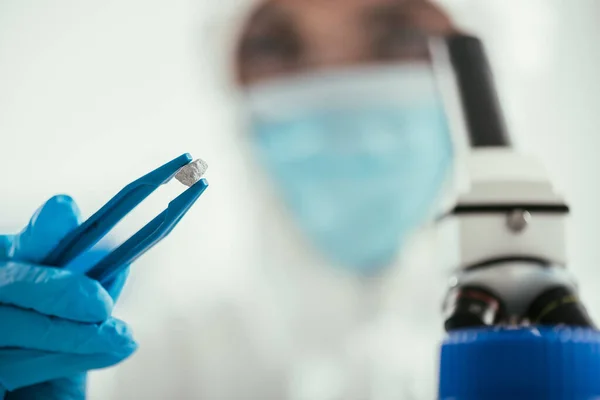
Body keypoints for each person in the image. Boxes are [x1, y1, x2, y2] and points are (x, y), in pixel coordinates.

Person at [0, 0, 459, 398]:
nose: (335, 81)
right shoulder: (167, 350)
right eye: (276, 46)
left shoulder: (528, 318)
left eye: (399, 36)